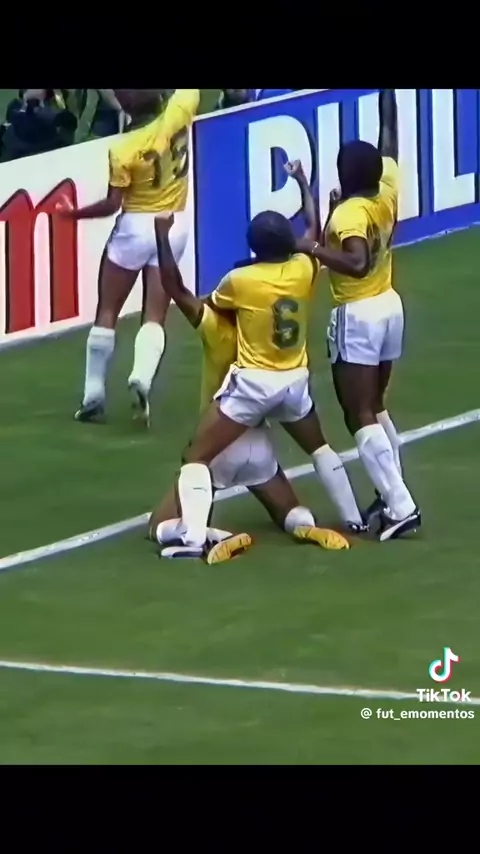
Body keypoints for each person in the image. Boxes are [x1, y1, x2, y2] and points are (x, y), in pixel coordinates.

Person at [165, 161, 368, 553]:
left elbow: (204, 300)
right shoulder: (305, 267)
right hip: (295, 381)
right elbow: (313, 228)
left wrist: (163, 237)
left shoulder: (240, 282)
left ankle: (194, 538)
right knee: (320, 448)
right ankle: (352, 518)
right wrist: (304, 182)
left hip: (254, 386)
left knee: (195, 457)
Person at [294, 89, 420, 542]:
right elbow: (390, 135)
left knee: (358, 413)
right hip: (389, 304)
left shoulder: (349, 214)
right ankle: (391, 494)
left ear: (345, 175)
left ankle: (401, 505)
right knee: (375, 406)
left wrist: (311, 247)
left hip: (359, 314)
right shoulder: (387, 187)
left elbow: (356, 261)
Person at [59, 89, 200, 427]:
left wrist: (73, 213)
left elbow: (112, 205)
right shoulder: (181, 108)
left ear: (125, 106)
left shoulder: (123, 150)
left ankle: (93, 397)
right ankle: (142, 377)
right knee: (155, 314)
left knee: (108, 310)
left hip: (134, 228)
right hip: (173, 224)